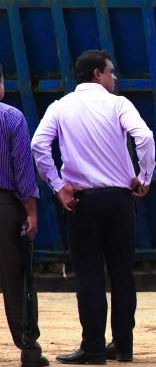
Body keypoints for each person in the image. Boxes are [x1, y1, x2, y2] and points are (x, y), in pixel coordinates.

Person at [31, 50, 155, 365]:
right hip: (119, 199)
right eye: (112, 72)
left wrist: (58, 187)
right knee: (123, 274)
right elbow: (144, 136)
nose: (115, 77)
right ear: (98, 73)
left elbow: (38, 145)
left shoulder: (60, 107)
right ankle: (124, 346)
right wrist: (144, 177)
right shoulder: (119, 105)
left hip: (82, 201)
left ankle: (94, 348)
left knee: (89, 275)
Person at [0, 64, 49, 367]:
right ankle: (28, 347)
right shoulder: (10, 117)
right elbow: (23, 170)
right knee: (15, 279)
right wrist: (31, 212)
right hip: (4, 208)